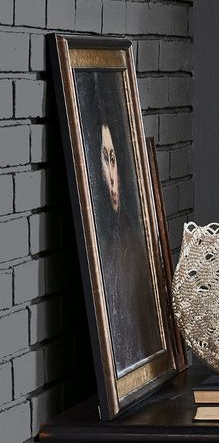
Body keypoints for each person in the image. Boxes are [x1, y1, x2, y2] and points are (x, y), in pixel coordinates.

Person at [74, 70, 163, 375]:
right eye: (103, 158)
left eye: (114, 159)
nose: (112, 175)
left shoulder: (135, 243)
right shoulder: (97, 244)